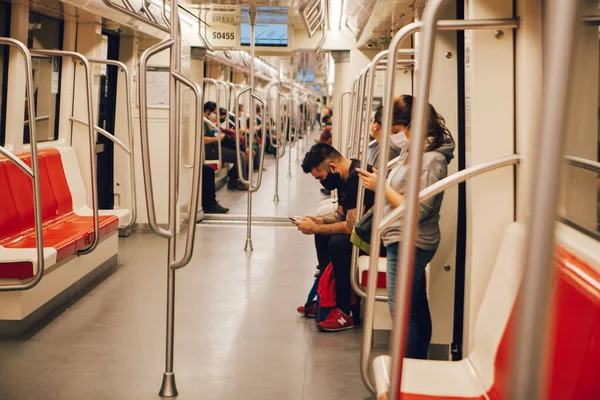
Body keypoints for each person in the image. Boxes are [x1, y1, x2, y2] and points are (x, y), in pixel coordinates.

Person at [357, 94, 455, 358]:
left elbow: (418, 209)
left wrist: (382, 187)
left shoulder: (431, 160)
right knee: (415, 310)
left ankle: (406, 373)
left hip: (409, 239)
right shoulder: (416, 150)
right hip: (401, 236)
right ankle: (416, 365)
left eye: (398, 131)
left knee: (402, 314)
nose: (395, 137)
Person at [294, 144, 375, 332]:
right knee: (322, 236)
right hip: (363, 231)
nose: (322, 183)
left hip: (375, 235)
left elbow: (351, 226)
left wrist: (317, 227)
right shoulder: (343, 177)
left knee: (338, 243)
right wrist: (318, 221)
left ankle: (345, 311)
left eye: (321, 177)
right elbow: (340, 214)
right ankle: (327, 300)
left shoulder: (357, 178)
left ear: (332, 167)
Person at [203, 101, 248, 190]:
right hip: (210, 150)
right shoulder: (203, 122)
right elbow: (202, 139)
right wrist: (216, 139)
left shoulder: (209, 122)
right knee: (240, 155)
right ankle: (239, 182)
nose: (216, 115)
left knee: (240, 153)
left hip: (216, 147)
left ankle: (234, 181)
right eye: (215, 113)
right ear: (208, 111)